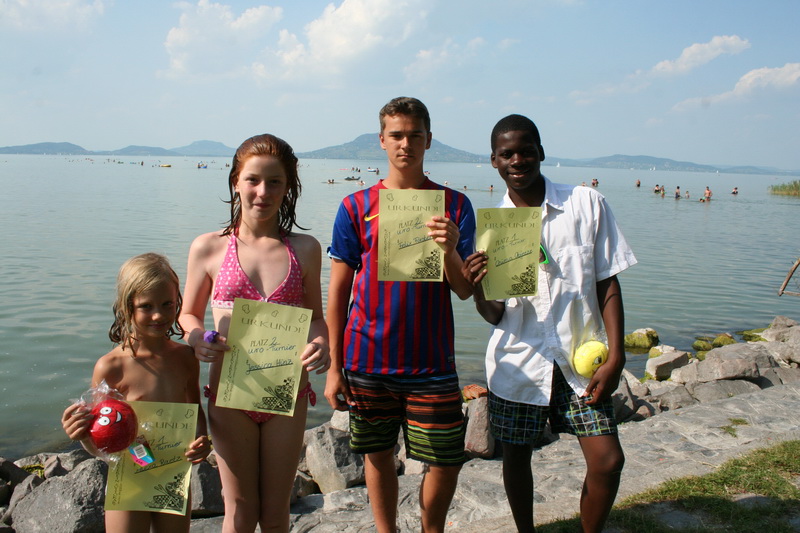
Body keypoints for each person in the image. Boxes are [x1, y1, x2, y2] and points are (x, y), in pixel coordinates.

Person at [462, 114, 637, 533]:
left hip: (580, 359)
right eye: (507, 154)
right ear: (493, 161)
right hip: (518, 361)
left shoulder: (585, 203)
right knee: (516, 456)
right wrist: (478, 287)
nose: (517, 160)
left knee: (608, 460)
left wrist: (617, 355)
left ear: (541, 152)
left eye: (526, 151)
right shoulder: (492, 227)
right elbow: (495, 315)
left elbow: (607, 281)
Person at [324, 96, 475, 533]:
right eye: (396, 135)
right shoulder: (356, 206)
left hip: (431, 361)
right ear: (382, 140)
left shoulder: (454, 205)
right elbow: (338, 292)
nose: (405, 144)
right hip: (367, 358)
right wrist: (333, 368)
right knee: (378, 455)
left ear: (429, 140)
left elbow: (465, 289)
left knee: (446, 459)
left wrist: (449, 249)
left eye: (414, 135)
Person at [179, 134, 330, 533]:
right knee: (240, 509)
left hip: (286, 393)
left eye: (275, 182)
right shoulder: (209, 247)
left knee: (277, 510)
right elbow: (188, 314)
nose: (263, 192)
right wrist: (197, 338)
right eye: (253, 180)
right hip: (230, 395)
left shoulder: (305, 248)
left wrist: (322, 343)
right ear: (236, 182)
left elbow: (315, 318)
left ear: (289, 187)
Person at [61, 253, 211, 533]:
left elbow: (195, 412)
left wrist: (202, 441)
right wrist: (81, 434)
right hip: (129, 477)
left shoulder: (186, 358)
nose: (159, 315)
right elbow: (100, 444)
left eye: (167, 304)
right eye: (146, 306)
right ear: (126, 306)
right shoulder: (111, 367)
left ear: (178, 301)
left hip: (172, 474)